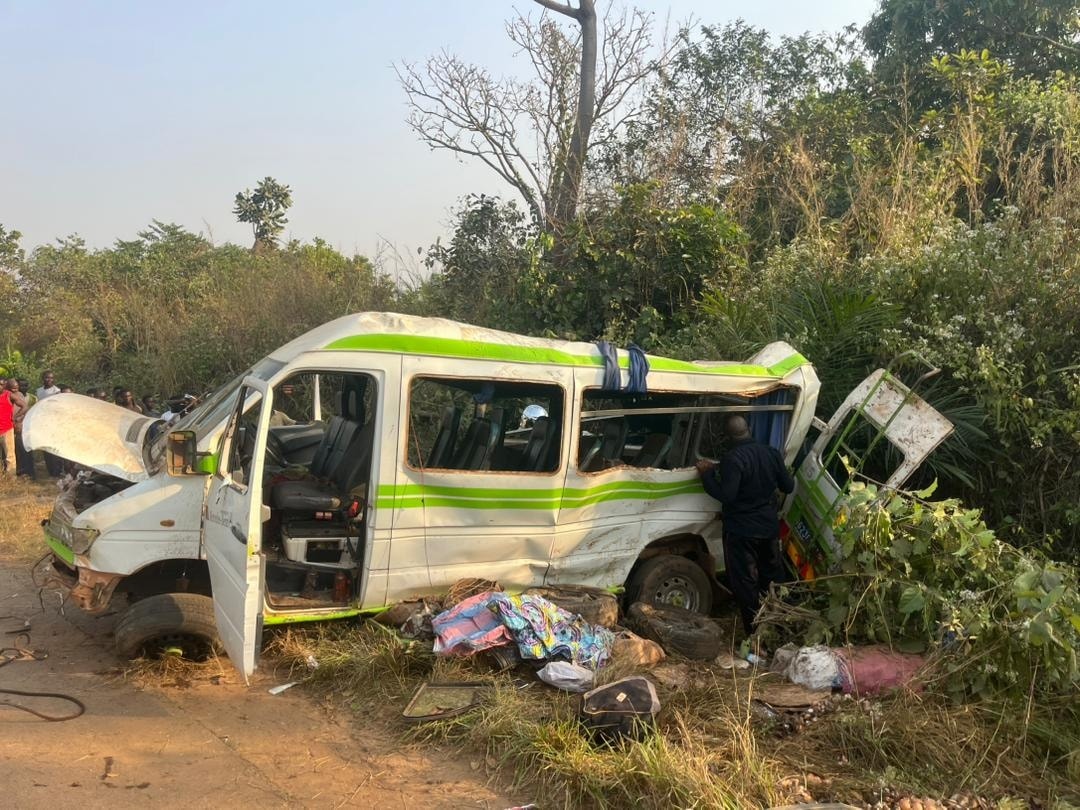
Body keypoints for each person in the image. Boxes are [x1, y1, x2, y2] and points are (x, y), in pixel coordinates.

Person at [697, 414, 795, 637]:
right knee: (772, 577)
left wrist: (707, 475)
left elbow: (727, 495)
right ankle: (781, 624)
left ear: (728, 436)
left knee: (746, 582)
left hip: (742, 532)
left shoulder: (734, 459)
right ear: (749, 429)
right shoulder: (771, 453)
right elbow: (788, 486)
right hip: (769, 529)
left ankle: (755, 633)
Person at [35, 370, 64, 477]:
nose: (49, 380)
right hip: (43, 422)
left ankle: (58, 470)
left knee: (56, 447)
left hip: (54, 422)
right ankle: (50, 470)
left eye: (51, 378)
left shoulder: (57, 391)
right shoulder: (38, 391)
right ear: (43, 379)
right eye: (47, 377)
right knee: (46, 447)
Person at [1, 378, 28, 476]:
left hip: (7, 429)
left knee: (10, 456)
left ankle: (11, 478)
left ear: (4, 386)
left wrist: (15, 417)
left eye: (2, 385)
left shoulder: (10, 395)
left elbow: (24, 406)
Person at [14, 379, 37, 478]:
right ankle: (21, 472)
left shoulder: (33, 398)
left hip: (28, 428)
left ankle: (30, 473)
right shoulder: (14, 397)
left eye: (26, 385)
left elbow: (36, 411)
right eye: (21, 385)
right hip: (17, 427)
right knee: (18, 451)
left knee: (28, 451)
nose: (24, 387)